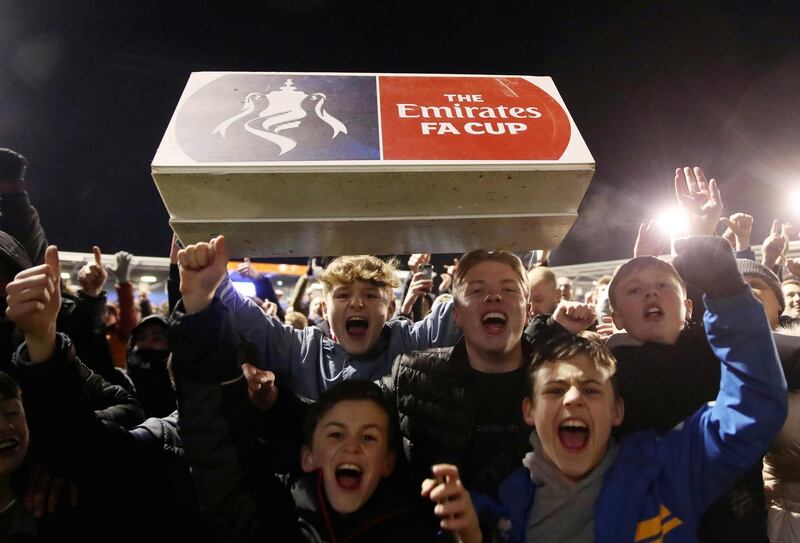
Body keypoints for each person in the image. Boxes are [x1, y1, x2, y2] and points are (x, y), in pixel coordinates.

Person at [474, 235, 787, 542]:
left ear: (688, 306)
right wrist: (553, 332)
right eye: (635, 290)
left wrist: (728, 292)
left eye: (663, 285)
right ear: (616, 317)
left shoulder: (720, 350)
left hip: (734, 518)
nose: (651, 294)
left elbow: (751, 406)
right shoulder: (606, 373)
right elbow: (521, 389)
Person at [381, 249, 594, 498]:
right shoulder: (410, 378)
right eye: (477, 290)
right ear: (457, 314)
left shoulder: (566, 388)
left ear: (527, 310)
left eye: (509, 289)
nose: (493, 297)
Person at [177, 236, 461, 400]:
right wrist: (214, 286)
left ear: (390, 308)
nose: (357, 303)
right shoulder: (301, 350)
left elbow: (465, 309)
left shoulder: (409, 343)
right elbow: (247, 320)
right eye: (342, 295)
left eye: (372, 295)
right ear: (324, 310)